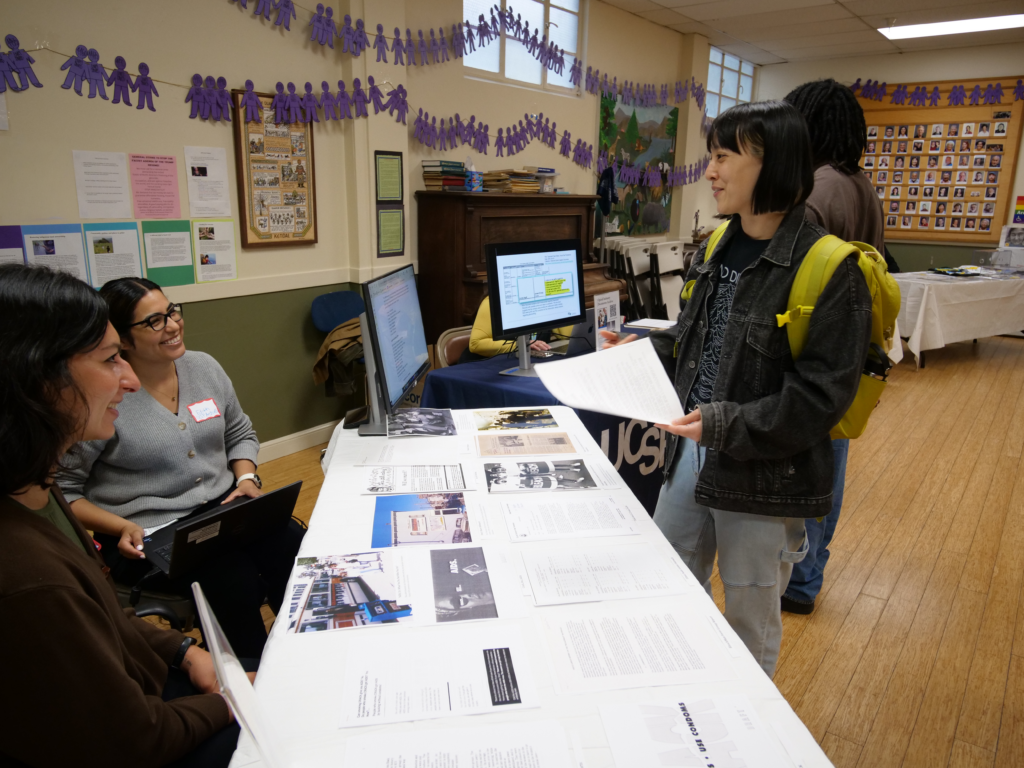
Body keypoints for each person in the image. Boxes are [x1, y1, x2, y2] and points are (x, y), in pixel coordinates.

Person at [602, 101, 871, 677]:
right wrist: (641, 350)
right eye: (711, 156)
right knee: (668, 586)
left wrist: (726, 424)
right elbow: (693, 336)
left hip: (764, 479)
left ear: (771, 162)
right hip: (692, 455)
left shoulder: (829, 268)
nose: (711, 171)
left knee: (750, 622)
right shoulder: (720, 243)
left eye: (724, 156)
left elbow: (821, 398)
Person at [0, 264, 250, 766]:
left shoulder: (36, 490)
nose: (130, 380)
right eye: (113, 359)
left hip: (149, 684)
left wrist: (184, 653)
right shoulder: (29, 577)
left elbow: (110, 621)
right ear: (39, 378)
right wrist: (227, 705)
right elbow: (134, 741)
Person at [57, 277, 304, 659]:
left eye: (172, 311)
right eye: (154, 321)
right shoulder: (106, 395)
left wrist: (246, 478)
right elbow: (64, 491)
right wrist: (121, 526)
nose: (172, 325)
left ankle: (303, 644)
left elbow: (240, 431)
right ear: (122, 340)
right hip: (151, 533)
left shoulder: (203, 367)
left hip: (223, 508)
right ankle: (249, 671)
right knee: (230, 574)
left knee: (290, 540)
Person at [460, 294, 573, 362]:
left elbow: (569, 335)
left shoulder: (543, 301)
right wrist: (521, 345)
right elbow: (476, 344)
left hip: (524, 364)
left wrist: (559, 302)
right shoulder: (491, 301)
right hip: (484, 367)